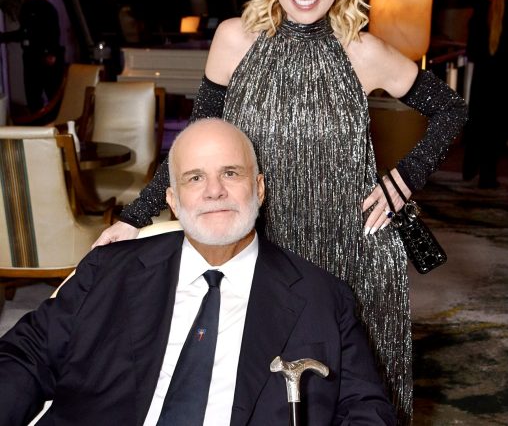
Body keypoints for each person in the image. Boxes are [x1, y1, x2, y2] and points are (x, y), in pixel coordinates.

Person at [94, 0, 468, 423]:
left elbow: (451, 110)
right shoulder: (234, 41)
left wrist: (403, 179)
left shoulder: (364, 52)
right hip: (269, 247)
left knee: (359, 401)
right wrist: (134, 218)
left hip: (357, 254)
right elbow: (194, 142)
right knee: (264, 394)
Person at [0, 119, 396, 426]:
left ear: (259, 189)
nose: (214, 191)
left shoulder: (322, 296)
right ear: (173, 201)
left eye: (231, 173)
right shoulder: (107, 271)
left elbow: (366, 409)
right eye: (195, 178)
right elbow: (23, 356)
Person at [462, 0, 508, 188]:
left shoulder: (478, 15)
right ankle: (488, 174)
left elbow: (471, 52)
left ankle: (471, 167)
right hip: (503, 82)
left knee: (478, 125)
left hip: (482, 81)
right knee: (497, 128)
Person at [17, 0, 63, 112]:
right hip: (30, 57)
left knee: (52, 93)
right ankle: (37, 121)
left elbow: (54, 31)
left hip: (45, 57)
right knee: (32, 95)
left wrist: (51, 53)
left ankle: (56, 121)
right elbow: (24, 32)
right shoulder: (24, 8)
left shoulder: (45, 7)